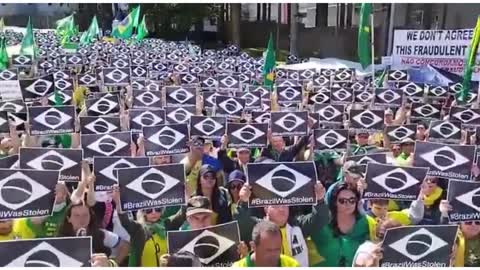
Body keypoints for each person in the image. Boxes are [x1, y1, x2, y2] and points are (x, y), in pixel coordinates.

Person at [234, 181, 327, 266]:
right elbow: (240, 220)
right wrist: (243, 201)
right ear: (266, 208)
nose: (282, 208)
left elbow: (320, 219)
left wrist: (319, 200)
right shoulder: (258, 229)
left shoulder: (296, 225)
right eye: (276, 204)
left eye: (285, 203)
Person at [112, 186, 185, 267]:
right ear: (143, 212)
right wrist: (118, 202)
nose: (154, 212)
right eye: (149, 210)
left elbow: (182, 215)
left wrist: (186, 195)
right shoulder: (138, 228)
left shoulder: (167, 224)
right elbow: (125, 220)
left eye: (158, 209)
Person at [310, 183, 370, 267]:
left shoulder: (366, 222)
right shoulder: (322, 220)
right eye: (342, 201)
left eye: (352, 200)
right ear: (334, 202)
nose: (348, 204)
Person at [58, 202, 129, 265]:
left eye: (85, 215)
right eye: (77, 215)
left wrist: (111, 264)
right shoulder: (60, 239)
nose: (81, 219)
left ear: (90, 217)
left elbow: (126, 246)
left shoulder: (101, 234)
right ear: (68, 219)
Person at [232, 220, 300, 267]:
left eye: (277, 249)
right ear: (254, 246)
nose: (274, 256)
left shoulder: (292, 265)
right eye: (268, 250)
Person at [439, 201, 480, 267]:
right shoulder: (453, 236)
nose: (473, 225)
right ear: (460, 224)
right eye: (468, 222)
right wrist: (444, 213)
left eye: (478, 222)